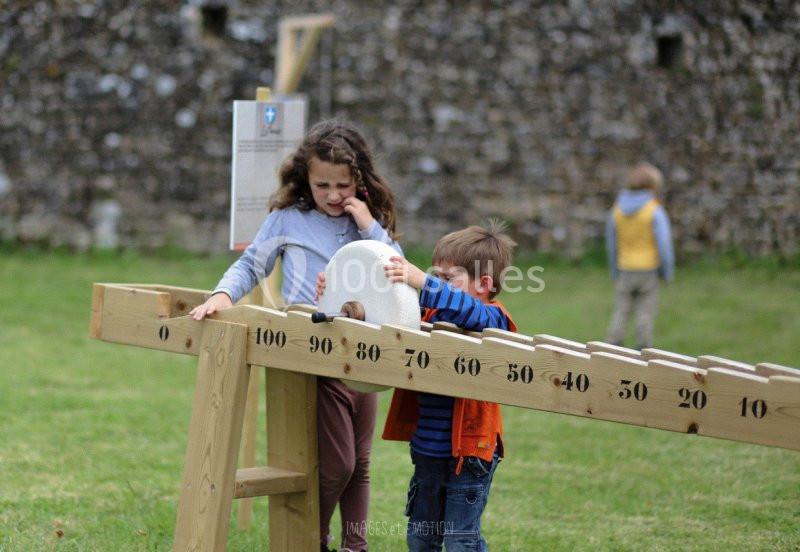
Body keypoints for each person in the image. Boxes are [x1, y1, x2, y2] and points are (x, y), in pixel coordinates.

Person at [190, 119, 401, 552]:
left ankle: (355, 546)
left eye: (343, 185)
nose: (333, 195)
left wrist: (369, 225)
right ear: (306, 176)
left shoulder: (367, 221)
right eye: (322, 184)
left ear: (358, 180)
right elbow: (251, 264)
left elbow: (397, 272)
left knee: (360, 463)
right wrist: (222, 294)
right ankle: (313, 538)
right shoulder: (288, 219)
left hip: (366, 350)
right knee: (337, 464)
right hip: (315, 350)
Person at [381, 222, 517, 552]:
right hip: (427, 450)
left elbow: (472, 314)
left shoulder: (494, 318)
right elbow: (383, 314)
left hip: (470, 454)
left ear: (484, 284)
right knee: (421, 537)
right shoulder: (428, 314)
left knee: (461, 541)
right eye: (436, 276)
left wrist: (424, 282)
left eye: (448, 278)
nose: (437, 284)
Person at [605, 162, 675, 350]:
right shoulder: (654, 210)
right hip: (647, 269)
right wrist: (667, 272)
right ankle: (642, 348)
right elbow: (664, 245)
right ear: (652, 188)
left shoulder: (617, 210)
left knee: (621, 310)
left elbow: (612, 245)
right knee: (645, 311)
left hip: (625, 267)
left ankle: (612, 345)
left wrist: (614, 271)